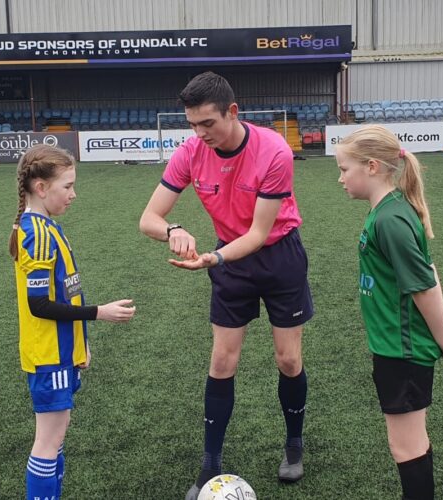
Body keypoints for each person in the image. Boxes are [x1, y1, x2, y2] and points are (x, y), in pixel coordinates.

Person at [139, 71, 313, 499]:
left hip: (277, 256)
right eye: (192, 125)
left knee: (288, 360)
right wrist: (173, 229)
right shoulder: (190, 151)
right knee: (221, 362)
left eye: (207, 124)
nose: (199, 134)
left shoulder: (273, 150)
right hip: (228, 262)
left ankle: (294, 444)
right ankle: (209, 464)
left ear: (232, 112)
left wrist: (213, 258)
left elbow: (256, 235)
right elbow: (149, 218)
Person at [335, 125, 443, 500]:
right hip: (396, 345)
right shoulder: (389, 211)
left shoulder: (390, 220)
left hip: (402, 348)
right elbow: (429, 273)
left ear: (373, 167)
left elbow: (424, 285)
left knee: (406, 447)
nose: (341, 178)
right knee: (412, 443)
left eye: (345, 169)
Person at [8, 144, 136, 500]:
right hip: (49, 355)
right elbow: (39, 305)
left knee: (57, 437)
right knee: (48, 442)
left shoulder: (48, 228)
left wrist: (82, 344)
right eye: (67, 186)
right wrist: (100, 313)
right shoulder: (35, 234)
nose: (73, 194)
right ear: (41, 187)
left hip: (63, 352)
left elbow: (65, 293)